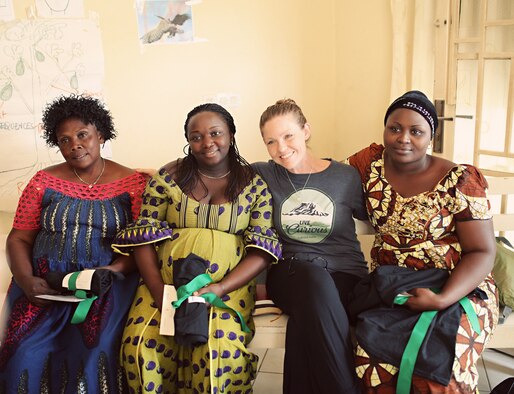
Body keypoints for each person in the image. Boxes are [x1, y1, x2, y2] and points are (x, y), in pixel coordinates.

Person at [113, 103, 281, 393]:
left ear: (230, 133)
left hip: (224, 289)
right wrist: (159, 293)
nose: (207, 143)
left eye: (215, 133)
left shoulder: (252, 184)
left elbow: (262, 250)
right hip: (163, 285)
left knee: (218, 352)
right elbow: (143, 237)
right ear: (188, 141)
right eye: (196, 136)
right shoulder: (168, 176)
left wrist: (221, 288)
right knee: (141, 345)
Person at [347, 90, 499, 393]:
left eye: (416, 131)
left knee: (441, 366)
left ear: (431, 137)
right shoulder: (369, 166)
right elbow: (323, 175)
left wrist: (442, 299)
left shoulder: (459, 180)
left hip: (458, 286)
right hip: (392, 288)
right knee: (372, 356)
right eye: (395, 128)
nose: (403, 138)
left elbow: (483, 251)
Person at [0, 94, 147, 392]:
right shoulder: (43, 182)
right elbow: (19, 237)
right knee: (23, 353)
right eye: (64, 140)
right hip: (45, 284)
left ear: (101, 135)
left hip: (107, 285)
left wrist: (112, 271)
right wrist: (26, 279)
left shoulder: (133, 183)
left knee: (97, 352)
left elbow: (142, 244)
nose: (74, 145)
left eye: (82, 135)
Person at [253, 98, 368, 394]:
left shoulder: (345, 177)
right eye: (271, 142)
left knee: (308, 320)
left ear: (306, 131)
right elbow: (215, 166)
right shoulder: (264, 174)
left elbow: (379, 215)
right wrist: (168, 170)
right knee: (313, 280)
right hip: (292, 274)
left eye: (288, 135)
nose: (281, 148)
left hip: (346, 274)